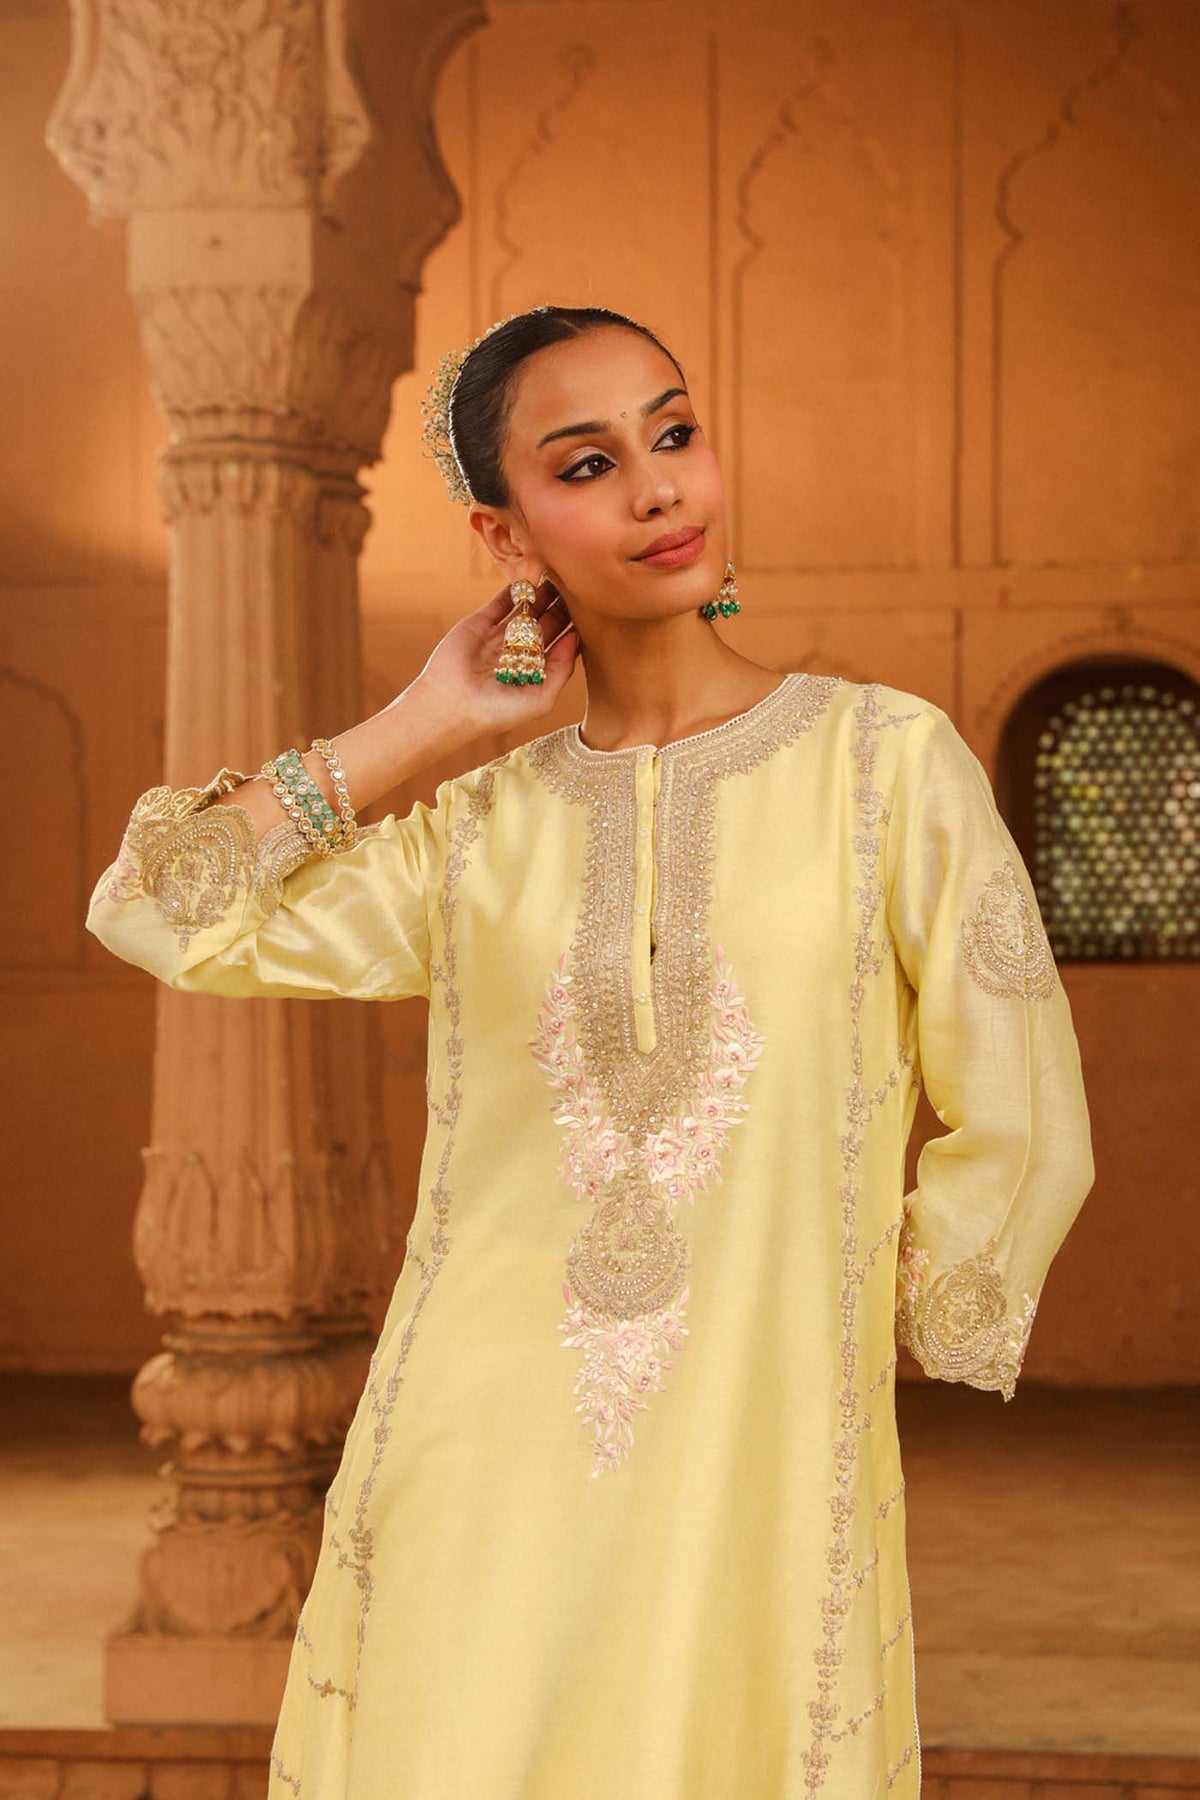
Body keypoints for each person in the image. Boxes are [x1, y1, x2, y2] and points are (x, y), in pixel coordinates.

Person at [85, 304, 1095, 1799]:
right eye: (588, 464)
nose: (659, 487)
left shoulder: (881, 765)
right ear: (507, 537)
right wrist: (420, 726)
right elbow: (150, 911)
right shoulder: (477, 830)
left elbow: (1022, 1099)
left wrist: (884, 1314)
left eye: (674, 433)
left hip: (754, 1442)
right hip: (475, 1439)